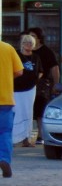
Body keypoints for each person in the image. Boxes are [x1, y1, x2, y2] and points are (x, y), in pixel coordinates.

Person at [28, 27, 60, 146]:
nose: (30, 39)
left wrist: (56, 84)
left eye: (33, 36)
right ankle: (25, 136)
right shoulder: (27, 51)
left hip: (42, 84)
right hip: (27, 84)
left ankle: (41, 135)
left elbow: (54, 68)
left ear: (39, 38)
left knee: (40, 110)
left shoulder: (46, 52)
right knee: (29, 110)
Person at [12, 34, 43, 148]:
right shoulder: (16, 55)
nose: (28, 45)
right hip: (16, 89)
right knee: (16, 113)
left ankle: (26, 138)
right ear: (22, 44)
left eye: (31, 43)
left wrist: (35, 80)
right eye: (26, 43)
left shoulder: (36, 57)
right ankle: (14, 138)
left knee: (28, 113)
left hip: (30, 89)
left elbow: (40, 71)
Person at [0, 39, 24, 178]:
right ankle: (4, 160)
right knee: (4, 132)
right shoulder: (8, 48)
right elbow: (19, 71)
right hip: (6, 99)